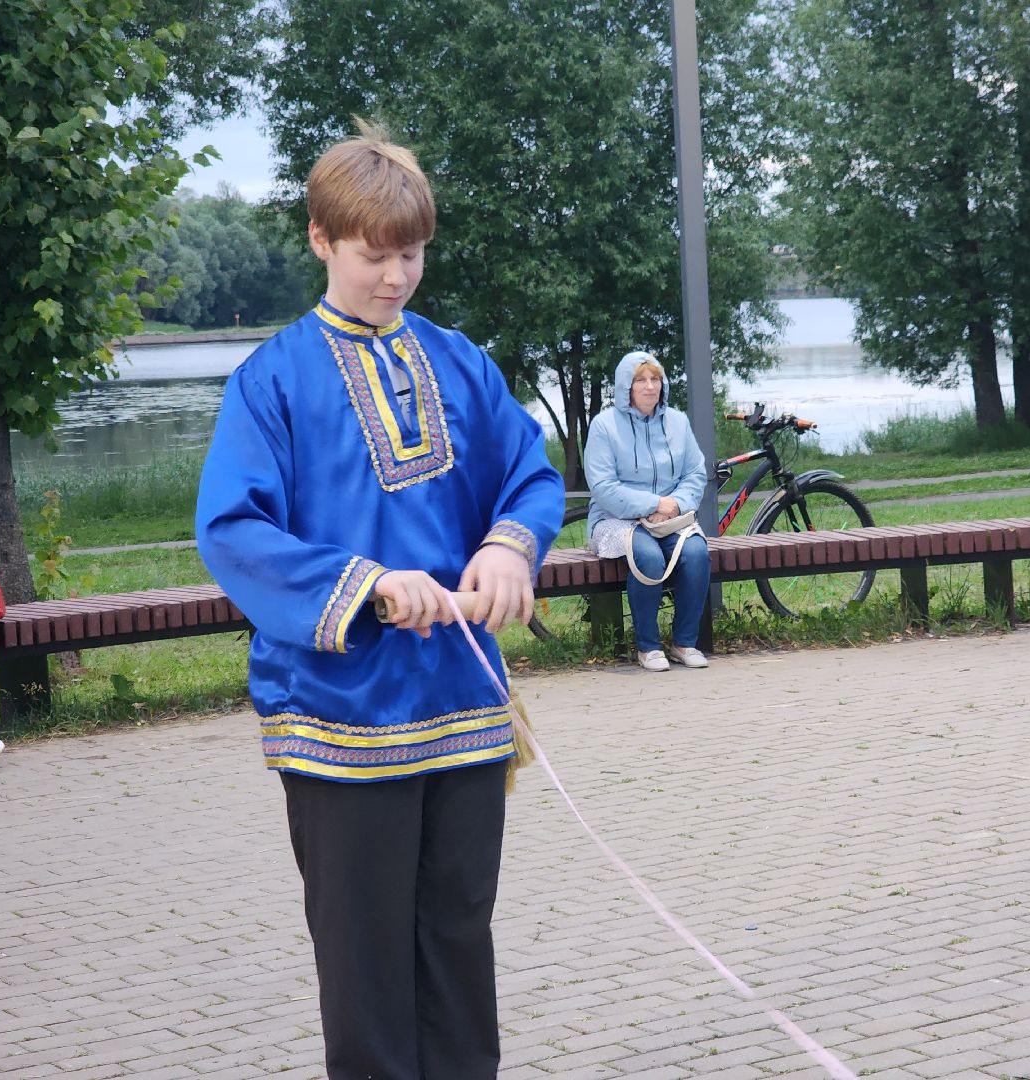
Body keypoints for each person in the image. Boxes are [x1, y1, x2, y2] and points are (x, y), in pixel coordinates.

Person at [194, 123, 564, 1080]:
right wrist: (363, 584)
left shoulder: (460, 363)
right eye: (374, 256)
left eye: (411, 253)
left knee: (457, 942)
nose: (396, 276)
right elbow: (233, 531)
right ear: (321, 240)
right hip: (339, 718)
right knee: (364, 970)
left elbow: (529, 473)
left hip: (465, 702)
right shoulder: (270, 381)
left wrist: (508, 544)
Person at [583, 350, 711, 671]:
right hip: (616, 519)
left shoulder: (678, 422)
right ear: (627, 386)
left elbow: (695, 472)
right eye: (641, 380)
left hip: (670, 518)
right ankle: (648, 647)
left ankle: (684, 642)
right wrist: (653, 504)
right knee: (649, 557)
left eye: (655, 379)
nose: (650, 386)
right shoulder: (604, 426)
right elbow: (603, 486)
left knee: (696, 553)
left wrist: (674, 505)